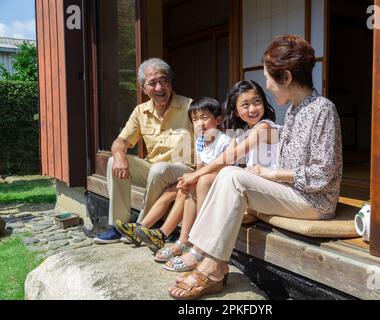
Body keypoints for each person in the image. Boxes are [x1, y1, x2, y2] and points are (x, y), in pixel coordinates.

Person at [167, 35, 343, 300]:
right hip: (292, 191)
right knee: (228, 175)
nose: (268, 86)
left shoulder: (322, 109)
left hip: (315, 200)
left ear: (285, 76)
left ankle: (212, 266)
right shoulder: (296, 110)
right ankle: (206, 256)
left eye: (269, 79)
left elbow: (323, 174)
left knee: (232, 177)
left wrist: (271, 174)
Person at [164, 80, 280, 273]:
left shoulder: (265, 127)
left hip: (270, 191)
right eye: (245, 104)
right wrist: (194, 176)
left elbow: (230, 157)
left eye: (257, 102)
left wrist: (197, 174)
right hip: (255, 190)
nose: (252, 109)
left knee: (205, 178)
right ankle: (187, 241)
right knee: (198, 181)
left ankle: (200, 247)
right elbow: (227, 156)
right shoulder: (244, 132)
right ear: (235, 111)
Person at [93, 58, 194, 244]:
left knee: (159, 169)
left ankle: (141, 228)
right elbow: (121, 141)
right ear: (142, 88)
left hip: (184, 169)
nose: (159, 87)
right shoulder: (141, 111)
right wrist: (119, 156)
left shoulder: (189, 106)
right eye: (152, 83)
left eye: (163, 80)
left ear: (170, 82)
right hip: (155, 169)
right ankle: (119, 225)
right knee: (113, 161)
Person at [113, 97, 231, 255]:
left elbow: (225, 169)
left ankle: (164, 236)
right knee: (171, 190)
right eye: (195, 119)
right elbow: (201, 166)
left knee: (185, 191)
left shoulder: (225, 141)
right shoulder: (201, 141)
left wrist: (194, 178)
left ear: (218, 120)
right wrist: (190, 178)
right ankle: (141, 228)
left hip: (217, 185)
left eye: (205, 118)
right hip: (202, 181)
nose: (200, 123)